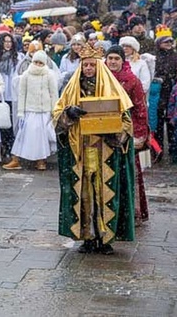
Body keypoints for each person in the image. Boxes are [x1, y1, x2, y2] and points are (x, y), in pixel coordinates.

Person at [53, 43, 135, 255]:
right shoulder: (71, 89)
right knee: (84, 195)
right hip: (80, 151)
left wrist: (114, 132)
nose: (88, 68)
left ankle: (105, 237)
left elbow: (127, 122)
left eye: (92, 65)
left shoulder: (112, 89)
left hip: (105, 152)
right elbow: (56, 118)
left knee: (105, 193)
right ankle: (87, 237)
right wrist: (68, 114)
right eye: (85, 65)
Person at [105, 45, 149, 224]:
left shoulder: (132, 80)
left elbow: (140, 108)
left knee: (128, 172)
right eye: (110, 58)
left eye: (116, 58)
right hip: (104, 132)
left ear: (123, 61)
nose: (113, 62)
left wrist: (138, 134)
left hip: (126, 132)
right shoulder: (100, 78)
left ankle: (130, 211)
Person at [4, 50, 57, 171]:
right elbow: (22, 94)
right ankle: (16, 159)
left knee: (42, 136)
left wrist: (55, 111)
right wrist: (20, 112)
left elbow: (54, 94)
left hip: (44, 110)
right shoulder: (26, 75)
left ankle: (41, 160)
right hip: (30, 110)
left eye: (40, 63)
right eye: (36, 62)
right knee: (24, 135)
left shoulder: (49, 75)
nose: (38, 65)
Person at [0, 32, 25, 158]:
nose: (7, 44)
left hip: (13, 94)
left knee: (12, 122)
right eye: (5, 41)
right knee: (2, 121)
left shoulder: (18, 57)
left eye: (9, 42)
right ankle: (4, 145)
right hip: (1, 94)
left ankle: (12, 146)